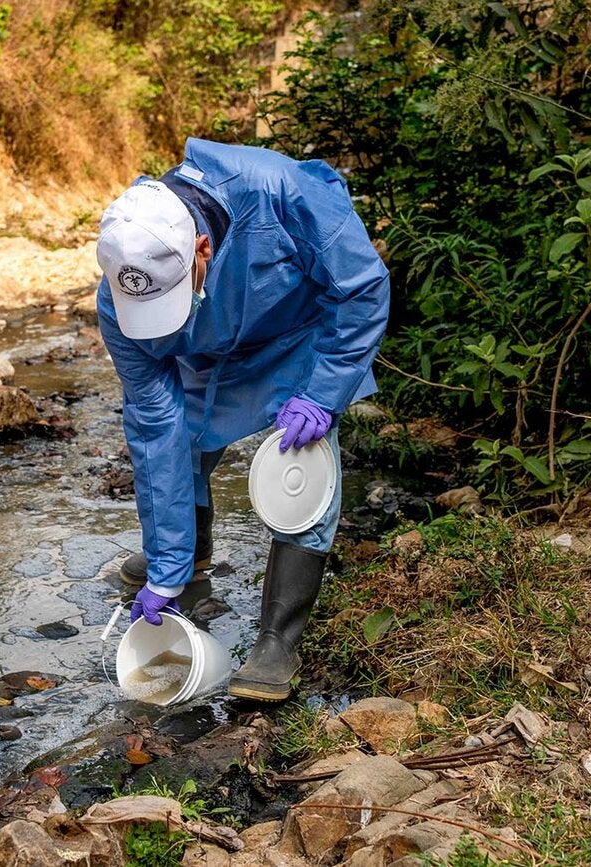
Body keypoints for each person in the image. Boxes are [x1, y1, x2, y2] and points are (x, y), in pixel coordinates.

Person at [96, 138, 390, 701]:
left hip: (297, 344)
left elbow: (360, 291)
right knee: (181, 445)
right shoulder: (121, 301)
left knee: (302, 472)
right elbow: (155, 431)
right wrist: (165, 566)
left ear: (202, 249)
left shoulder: (286, 194)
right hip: (203, 350)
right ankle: (191, 554)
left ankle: (278, 638)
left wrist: (323, 395)